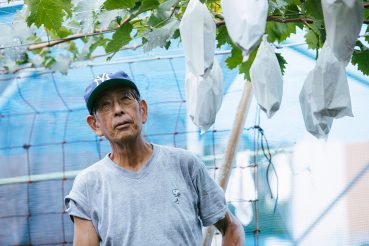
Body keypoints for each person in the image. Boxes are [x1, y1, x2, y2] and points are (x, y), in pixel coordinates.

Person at [64, 71, 245, 245]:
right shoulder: (88, 185)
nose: (118, 110)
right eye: (105, 105)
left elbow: (231, 227)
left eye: (125, 99)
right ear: (95, 125)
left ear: (142, 110)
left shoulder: (184, 164)